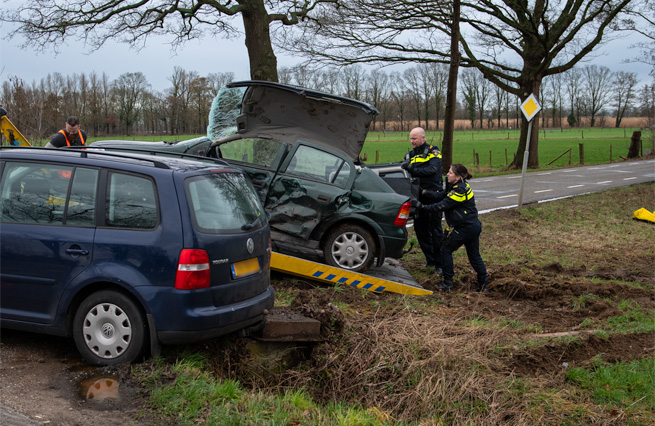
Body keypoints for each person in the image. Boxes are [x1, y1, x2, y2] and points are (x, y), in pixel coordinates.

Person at [416, 163, 488, 292]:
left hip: (466, 227)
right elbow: (441, 196)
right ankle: (483, 285)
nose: (447, 174)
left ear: (458, 176)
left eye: (450, 172)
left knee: (445, 250)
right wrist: (423, 192)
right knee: (474, 256)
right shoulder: (457, 186)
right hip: (472, 226)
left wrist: (421, 207)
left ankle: (448, 282)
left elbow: (442, 205)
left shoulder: (459, 190)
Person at [401, 127, 444, 274]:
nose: (412, 141)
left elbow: (432, 170)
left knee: (435, 231)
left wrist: (413, 168)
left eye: (415, 138)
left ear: (423, 138)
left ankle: (440, 264)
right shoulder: (410, 154)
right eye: (411, 138)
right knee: (420, 230)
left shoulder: (433, 151)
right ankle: (430, 261)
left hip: (433, 196)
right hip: (417, 197)